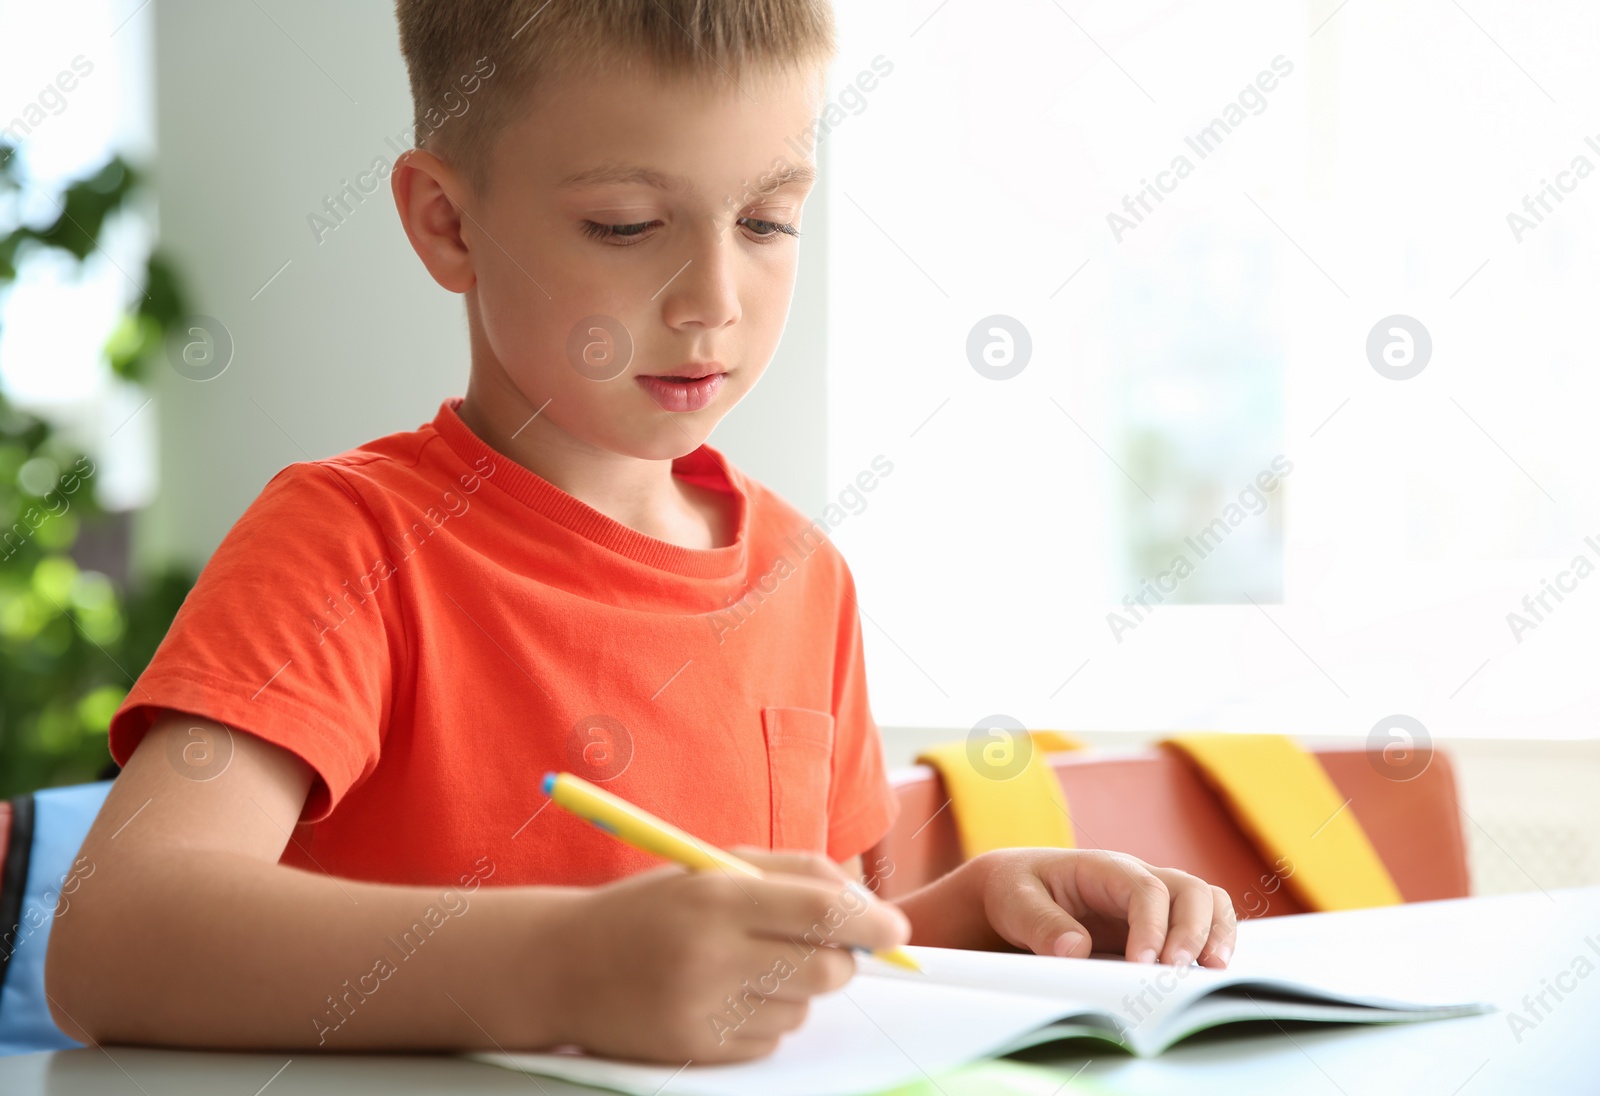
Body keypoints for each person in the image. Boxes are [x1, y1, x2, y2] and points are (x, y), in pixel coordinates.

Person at [46, 0, 1236, 1063]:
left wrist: (972, 912)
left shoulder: (803, 579)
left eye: (768, 221)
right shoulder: (348, 542)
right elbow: (112, 943)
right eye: (625, 224)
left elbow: (806, 968)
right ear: (448, 224)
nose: (713, 298)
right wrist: (570, 966)